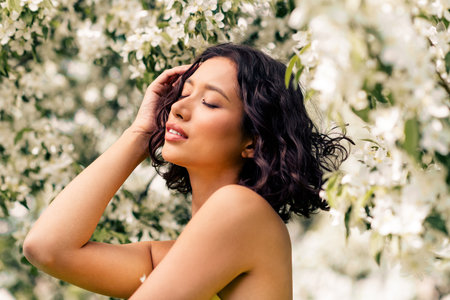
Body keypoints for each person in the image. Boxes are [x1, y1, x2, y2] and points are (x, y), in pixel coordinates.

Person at [23, 43, 352, 299]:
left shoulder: (241, 209)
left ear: (252, 141)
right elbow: (47, 248)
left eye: (210, 102)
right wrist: (139, 135)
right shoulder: (176, 257)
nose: (178, 107)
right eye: (183, 92)